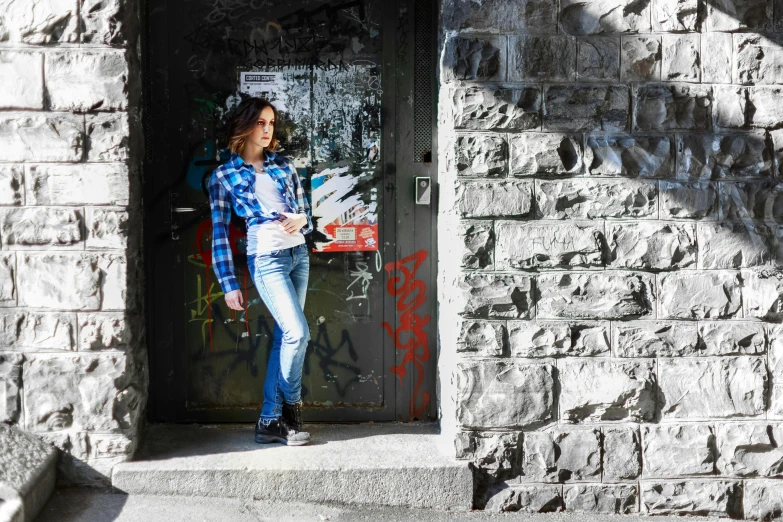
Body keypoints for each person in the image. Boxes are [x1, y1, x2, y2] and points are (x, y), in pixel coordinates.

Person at [208, 97, 312, 446]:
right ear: (245, 126)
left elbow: (304, 212)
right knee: (298, 334)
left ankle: (270, 420)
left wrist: (302, 219)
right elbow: (220, 232)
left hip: (298, 254)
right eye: (260, 123)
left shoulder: (284, 166)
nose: (267, 130)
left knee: (286, 336)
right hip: (266, 259)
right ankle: (292, 405)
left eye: (271, 123)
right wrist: (228, 283)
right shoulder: (223, 175)